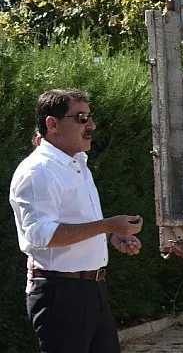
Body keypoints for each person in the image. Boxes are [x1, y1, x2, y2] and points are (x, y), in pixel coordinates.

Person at [9, 89, 144, 353]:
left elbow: (77, 223)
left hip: (92, 291)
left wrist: (111, 236)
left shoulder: (78, 163)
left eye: (90, 117)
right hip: (60, 295)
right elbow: (40, 235)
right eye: (81, 118)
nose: (91, 125)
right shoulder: (38, 171)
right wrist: (106, 225)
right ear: (52, 124)